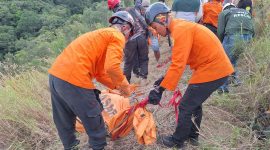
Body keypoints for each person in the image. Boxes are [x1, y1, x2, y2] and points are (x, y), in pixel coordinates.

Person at [145, 2, 234, 148]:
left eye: (155, 27)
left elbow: (178, 65)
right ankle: (193, 137)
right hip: (214, 68)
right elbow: (179, 59)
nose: (156, 32)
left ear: (161, 19)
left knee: (185, 106)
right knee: (194, 103)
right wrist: (163, 80)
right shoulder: (179, 27)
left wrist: (160, 89)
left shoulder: (180, 29)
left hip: (213, 69)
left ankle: (177, 140)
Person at [48, 11, 134, 150]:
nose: (128, 38)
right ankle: (98, 146)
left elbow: (100, 74)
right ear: (125, 27)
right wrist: (124, 87)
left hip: (55, 76)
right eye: (130, 33)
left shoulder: (100, 36)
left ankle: (71, 146)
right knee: (93, 117)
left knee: (64, 118)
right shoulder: (117, 35)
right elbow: (112, 67)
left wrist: (116, 87)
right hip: (74, 78)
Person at [108, 0, 149, 82]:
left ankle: (126, 81)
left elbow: (114, 33)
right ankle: (143, 76)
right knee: (144, 58)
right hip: (140, 36)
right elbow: (142, 20)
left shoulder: (114, 18)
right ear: (119, 4)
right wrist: (146, 31)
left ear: (112, 8)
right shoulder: (131, 9)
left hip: (129, 41)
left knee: (128, 62)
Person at [217, 3, 254, 93]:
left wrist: (220, 43)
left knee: (225, 60)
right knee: (236, 59)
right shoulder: (246, 12)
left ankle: (222, 88)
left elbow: (220, 30)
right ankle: (235, 79)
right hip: (248, 36)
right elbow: (252, 28)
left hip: (233, 35)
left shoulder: (224, 13)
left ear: (224, 8)